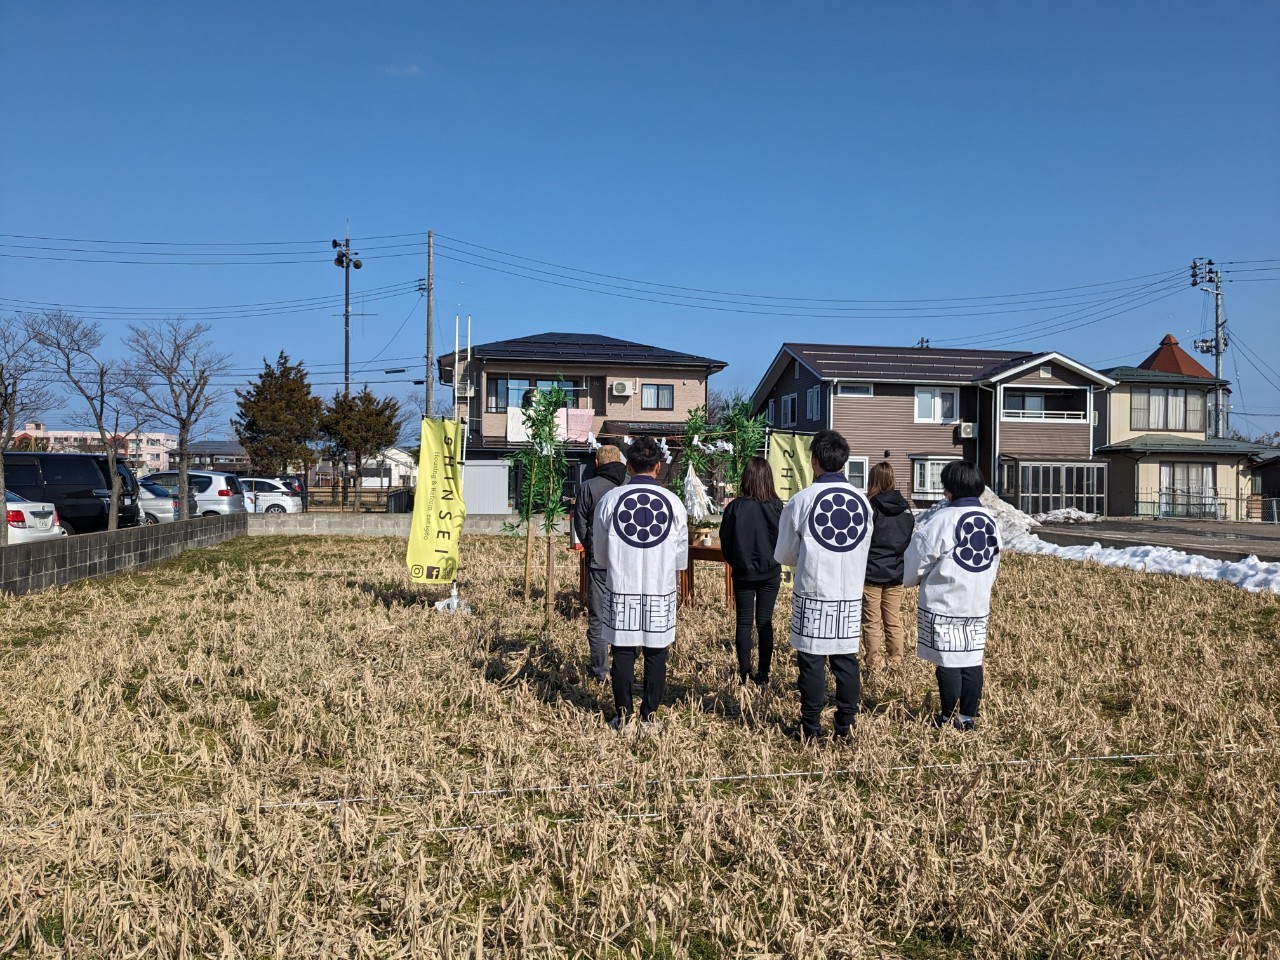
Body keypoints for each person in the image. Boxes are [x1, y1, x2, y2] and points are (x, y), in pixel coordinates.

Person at [774, 430, 874, 741]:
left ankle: (811, 727)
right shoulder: (863, 503)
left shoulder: (801, 500)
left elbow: (785, 553)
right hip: (848, 591)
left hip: (814, 590)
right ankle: (846, 725)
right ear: (843, 460)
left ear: (814, 459)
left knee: (812, 660)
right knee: (846, 660)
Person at [594, 436, 689, 727]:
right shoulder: (673, 503)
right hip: (660, 586)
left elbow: (600, 552)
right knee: (656, 651)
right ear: (658, 466)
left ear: (628, 466)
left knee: (622, 650)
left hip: (622, 585)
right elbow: (680, 555)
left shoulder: (611, 499)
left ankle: (623, 717)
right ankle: (649, 716)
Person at [903, 461, 1002, 732]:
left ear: (949, 489)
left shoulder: (942, 520)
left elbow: (917, 559)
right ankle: (967, 716)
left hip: (944, 598)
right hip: (976, 598)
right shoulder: (990, 520)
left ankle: (949, 716)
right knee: (971, 658)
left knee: (947, 659)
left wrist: (909, 579)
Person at [719, 456, 784, 685]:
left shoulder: (735, 507)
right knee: (765, 622)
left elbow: (725, 542)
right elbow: (784, 541)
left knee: (744, 622)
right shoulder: (777, 506)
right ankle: (763, 673)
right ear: (768, 478)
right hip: (771, 572)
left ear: (746, 478)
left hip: (744, 572)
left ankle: (744, 674)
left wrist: (736, 562)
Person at [572, 444, 629, 681]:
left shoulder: (588, 488)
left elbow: (580, 523)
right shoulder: (630, 486)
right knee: (626, 614)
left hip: (599, 561)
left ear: (597, 463)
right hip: (628, 562)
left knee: (598, 617)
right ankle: (624, 668)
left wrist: (592, 545)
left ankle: (600, 671)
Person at [861, 461, 915, 677]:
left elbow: (862, 539)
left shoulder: (869, 506)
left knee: (871, 622)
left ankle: (873, 664)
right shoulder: (906, 508)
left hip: (871, 571)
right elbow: (909, 538)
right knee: (893, 620)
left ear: (873, 480)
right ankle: (895, 663)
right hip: (896, 572)